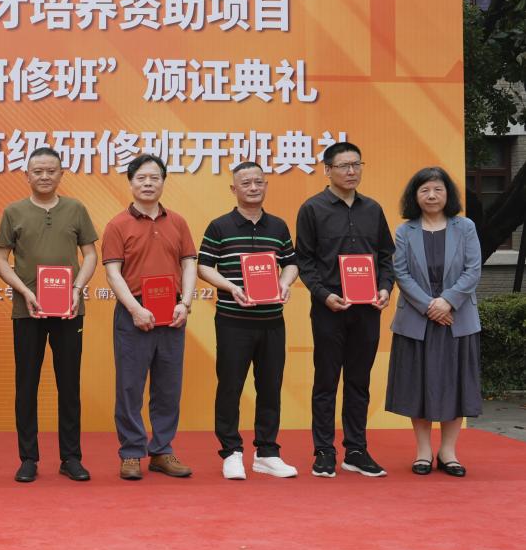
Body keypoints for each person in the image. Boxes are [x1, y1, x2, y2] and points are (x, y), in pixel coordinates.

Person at [0, 147, 98, 483]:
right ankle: (28, 458)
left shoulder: (76, 209)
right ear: (27, 175)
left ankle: (71, 457)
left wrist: (77, 289)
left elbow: (90, 255)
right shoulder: (14, 212)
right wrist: (24, 291)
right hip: (28, 311)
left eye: (51, 171)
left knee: (69, 385)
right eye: (37, 171)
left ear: (61, 174)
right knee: (26, 384)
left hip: (69, 310)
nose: (44, 176)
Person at [295, 141, 394, 478]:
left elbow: (386, 257)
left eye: (356, 164)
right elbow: (305, 261)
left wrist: (385, 287)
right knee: (326, 381)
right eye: (343, 166)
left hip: (367, 309)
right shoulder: (312, 209)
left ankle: (356, 450)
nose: (351, 171)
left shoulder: (373, 209)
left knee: (358, 381)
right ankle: (324, 451)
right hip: (330, 309)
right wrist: (324, 295)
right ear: (327, 170)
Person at [197, 162, 300, 480]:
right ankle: (231, 452)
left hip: (272, 321)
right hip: (233, 321)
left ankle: (267, 452)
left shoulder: (278, 226)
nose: (253, 187)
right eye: (246, 183)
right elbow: (204, 266)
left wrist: (285, 283)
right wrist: (231, 287)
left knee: (270, 386)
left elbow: (291, 263)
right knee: (230, 386)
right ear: (234, 189)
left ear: (266, 185)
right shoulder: (219, 226)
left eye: (258, 182)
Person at [101, 154, 197, 481]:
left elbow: (189, 263)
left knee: (168, 386)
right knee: (130, 386)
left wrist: (186, 303)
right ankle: (131, 452)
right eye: (141, 178)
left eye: (154, 177)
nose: (148, 183)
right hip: (134, 313)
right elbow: (113, 273)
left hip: (173, 312)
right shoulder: (117, 225)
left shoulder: (178, 222)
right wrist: (135, 309)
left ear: (163, 182)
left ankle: (162, 451)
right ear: (130, 183)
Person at [385, 167, 482, 477]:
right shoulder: (405, 231)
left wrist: (447, 301)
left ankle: (448, 451)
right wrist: (430, 306)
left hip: (457, 318)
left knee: (456, 385)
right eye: (424, 190)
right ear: (415, 196)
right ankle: (423, 451)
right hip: (418, 319)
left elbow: (473, 269)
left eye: (438, 189)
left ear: (447, 194)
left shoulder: (465, 227)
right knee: (419, 385)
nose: (431, 196)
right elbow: (401, 273)